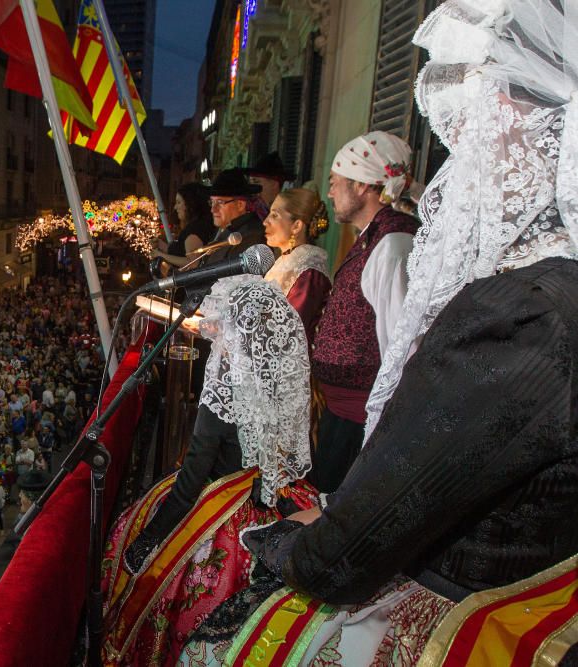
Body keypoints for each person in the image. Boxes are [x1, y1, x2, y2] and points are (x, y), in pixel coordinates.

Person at [180, 1, 578, 663]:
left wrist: (287, 541)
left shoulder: (524, 311)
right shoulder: (542, 295)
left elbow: (347, 554)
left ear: (513, 122)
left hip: (450, 604)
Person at [104, 275, 317, 664]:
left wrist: (149, 541)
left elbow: (190, 482)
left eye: (220, 321)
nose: (212, 329)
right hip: (280, 499)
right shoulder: (278, 375)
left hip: (224, 510)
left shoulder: (224, 388)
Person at [307, 130, 420, 493]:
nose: (330, 192)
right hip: (342, 411)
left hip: (361, 419)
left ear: (362, 186)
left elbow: (402, 341)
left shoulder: (394, 242)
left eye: (335, 182)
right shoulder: (374, 237)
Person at [261, 186, 332, 343]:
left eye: (274, 215)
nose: (265, 221)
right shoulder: (286, 261)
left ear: (296, 226)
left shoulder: (308, 272)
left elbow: (290, 331)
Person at [202, 168, 265, 260]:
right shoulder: (226, 227)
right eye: (212, 202)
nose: (213, 209)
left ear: (240, 205)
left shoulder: (251, 235)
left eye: (220, 202)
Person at [152, 183, 216, 268]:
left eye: (179, 202)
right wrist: (161, 245)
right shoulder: (198, 226)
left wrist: (161, 255)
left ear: (190, 204)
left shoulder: (194, 230)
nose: (175, 207)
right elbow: (180, 252)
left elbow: (192, 263)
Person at [242, 151, 295, 219]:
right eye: (250, 183)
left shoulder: (288, 214)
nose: (252, 188)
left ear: (274, 184)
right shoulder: (248, 212)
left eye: (256, 182)